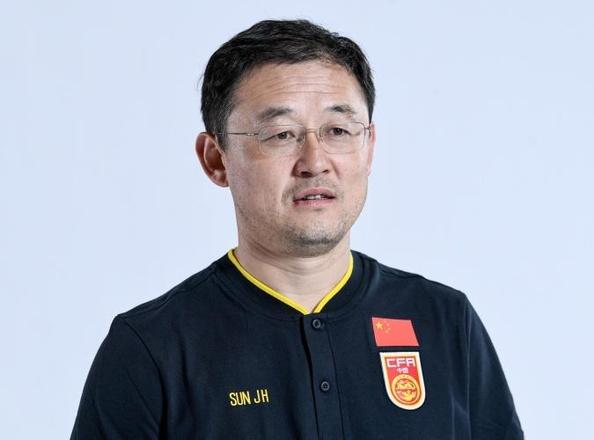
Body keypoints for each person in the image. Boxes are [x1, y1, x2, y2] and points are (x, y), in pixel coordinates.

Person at [70, 19, 524, 439]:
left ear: (369, 147)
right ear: (215, 158)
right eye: (281, 134)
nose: (314, 162)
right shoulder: (152, 350)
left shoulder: (444, 321)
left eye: (338, 130)